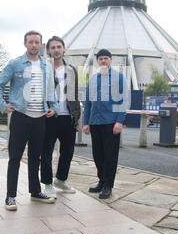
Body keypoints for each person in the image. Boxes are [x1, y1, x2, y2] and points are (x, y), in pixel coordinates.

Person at [0, 30, 58, 210]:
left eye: (37, 42)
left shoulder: (47, 65)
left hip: (40, 119)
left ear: (41, 44)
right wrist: (3, 105)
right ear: (25, 44)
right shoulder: (15, 64)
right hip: (21, 117)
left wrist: (52, 106)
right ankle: (10, 196)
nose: (34, 45)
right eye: (30, 42)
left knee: (35, 158)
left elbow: (51, 89)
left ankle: (35, 192)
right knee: (14, 158)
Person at [83, 49, 129, 199]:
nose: (103, 61)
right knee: (98, 155)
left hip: (111, 123)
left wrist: (119, 121)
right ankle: (101, 181)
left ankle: (108, 185)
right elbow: (88, 103)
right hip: (95, 123)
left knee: (110, 156)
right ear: (97, 61)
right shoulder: (92, 80)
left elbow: (124, 100)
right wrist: (86, 122)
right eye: (100, 59)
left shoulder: (119, 78)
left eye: (106, 58)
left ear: (111, 60)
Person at [40, 36, 81, 197]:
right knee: (46, 151)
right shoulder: (44, 68)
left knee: (68, 151)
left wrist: (76, 117)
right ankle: (48, 183)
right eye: (53, 47)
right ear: (49, 50)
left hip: (68, 116)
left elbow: (76, 94)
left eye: (59, 47)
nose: (56, 50)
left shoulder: (72, 70)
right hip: (50, 116)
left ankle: (61, 180)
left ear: (64, 49)